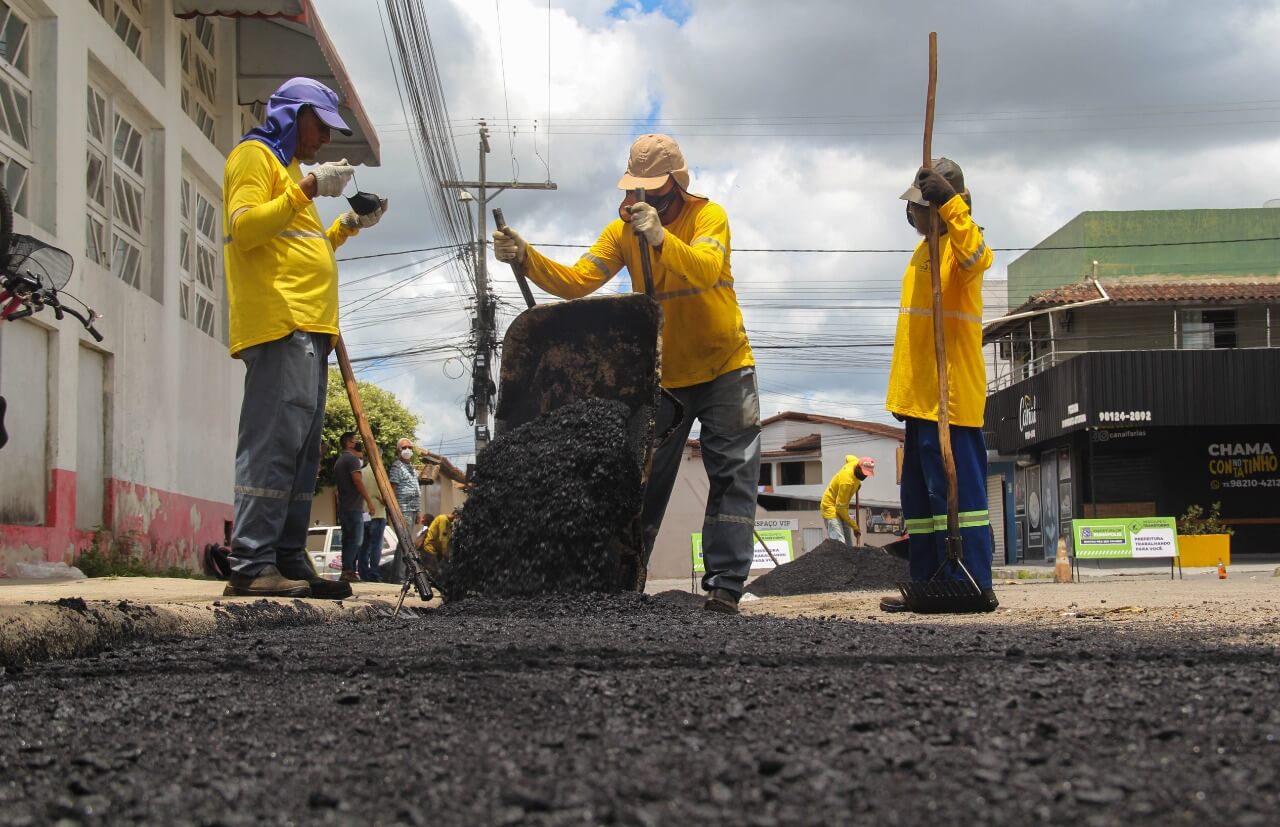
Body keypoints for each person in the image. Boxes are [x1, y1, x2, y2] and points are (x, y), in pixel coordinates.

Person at [492, 134, 760, 615]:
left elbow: (704, 267)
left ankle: (725, 587)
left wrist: (662, 238)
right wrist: (526, 257)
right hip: (661, 377)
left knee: (733, 476)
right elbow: (576, 282)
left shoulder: (708, 216)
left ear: (678, 181)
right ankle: (624, 583)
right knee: (642, 478)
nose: (646, 196)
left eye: (656, 187)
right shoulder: (622, 232)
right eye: (640, 187)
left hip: (725, 366)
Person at [222, 77, 387, 599]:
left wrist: (348, 226)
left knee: (302, 453)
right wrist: (310, 189)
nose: (326, 140)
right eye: (320, 125)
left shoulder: (289, 172)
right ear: (293, 116)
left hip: (311, 329)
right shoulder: (254, 158)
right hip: (280, 323)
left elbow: (300, 248)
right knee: (273, 445)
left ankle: (288, 558)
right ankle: (251, 563)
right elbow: (246, 229)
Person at [879, 158, 998, 613]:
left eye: (922, 206)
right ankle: (929, 585)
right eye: (914, 206)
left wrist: (950, 205)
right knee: (922, 504)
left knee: (960, 500)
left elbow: (976, 255)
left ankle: (971, 583)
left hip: (952, 404)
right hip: (920, 403)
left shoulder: (962, 249)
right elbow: (914, 335)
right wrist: (902, 396)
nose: (913, 216)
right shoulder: (920, 254)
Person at [333, 432, 375, 582]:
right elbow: (357, 481)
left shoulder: (340, 460)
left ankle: (347, 570)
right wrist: (369, 501)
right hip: (353, 507)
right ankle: (348, 571)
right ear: (349, 443)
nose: (358, 443)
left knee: (348, 539)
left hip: (345, 506)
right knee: (356, 539)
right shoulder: (352, 460)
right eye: (355, 441)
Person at [387, 438, 423, 579]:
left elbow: (416, 490)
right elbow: (392, 489)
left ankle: (401, 575)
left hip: (412, 509)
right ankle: (399, 577)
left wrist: (418, 511)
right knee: (405, 543)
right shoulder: (397, 466)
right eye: (404, 447)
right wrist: (393, 510)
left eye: (409, 447)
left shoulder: (412, 469)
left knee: (407, 544)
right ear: (398, 450)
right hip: (403, 509)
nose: (407, 450)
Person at [820, 455, 876, 546]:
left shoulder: (855, 461)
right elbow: (840, 508)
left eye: (866, 474)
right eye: (863, 473)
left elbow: (848, 457)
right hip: (830, 506)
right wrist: (854, 526)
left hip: (841, 506)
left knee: (848, 544)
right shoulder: (847, 482)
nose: (864, 476)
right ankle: (837, 559)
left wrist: (857, 485)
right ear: (858, 467)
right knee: (839, 543)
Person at [358, 458, 387, 582]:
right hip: (378, 513)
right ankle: (374, 573)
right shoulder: (380, 474)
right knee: (376, 545)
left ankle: (363, 573)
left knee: (363, 545)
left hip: (363, 512)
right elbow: (384, 495)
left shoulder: (361, 472)